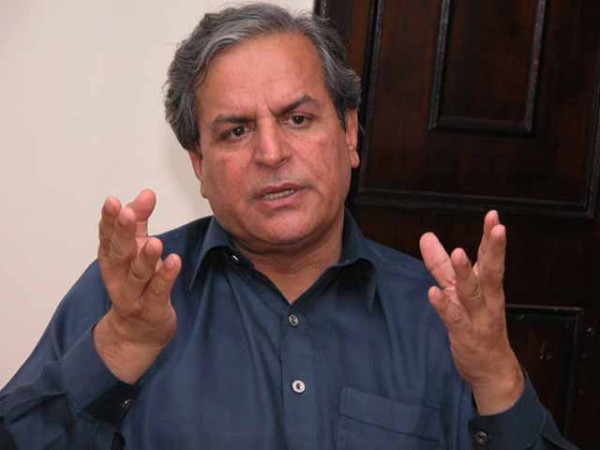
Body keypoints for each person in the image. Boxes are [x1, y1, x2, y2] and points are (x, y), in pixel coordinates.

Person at [0, 3, 579, 449]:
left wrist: (497, 377)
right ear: (199, 165)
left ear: (349, 134)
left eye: (298, 118)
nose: (272, 153)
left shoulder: (439, 315)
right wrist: (120, 348)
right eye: (236, 131)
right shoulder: (131, 296)